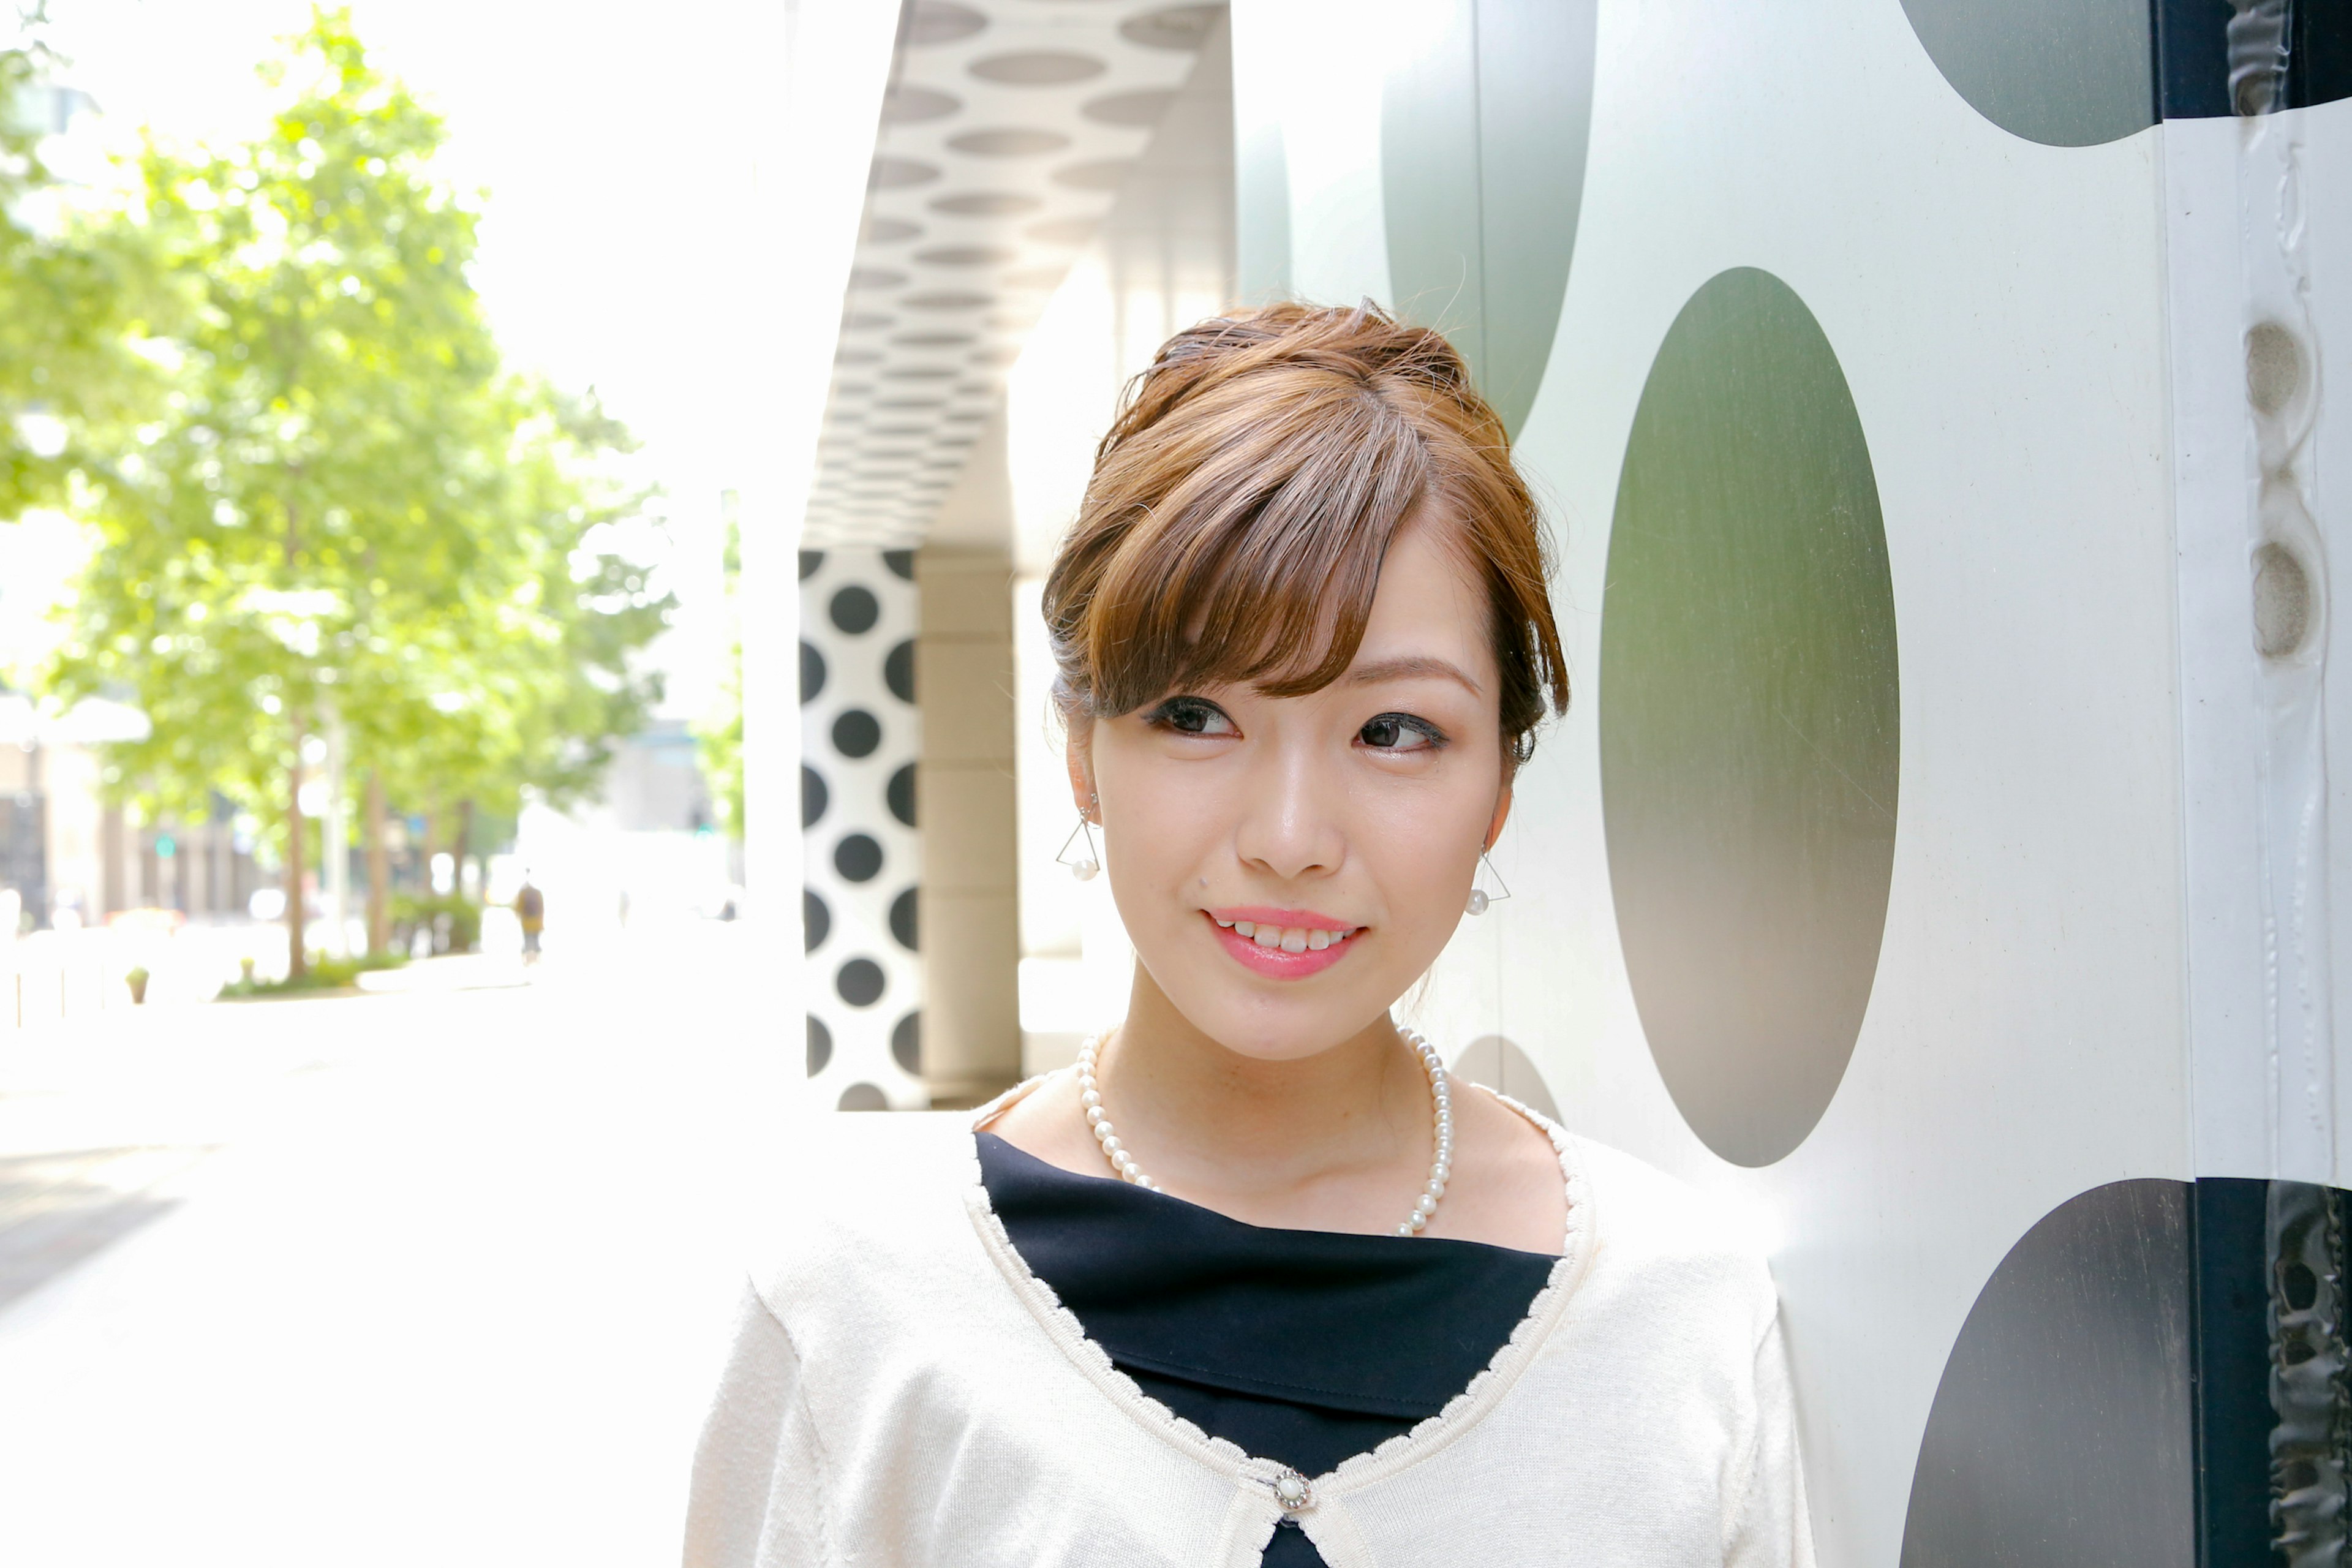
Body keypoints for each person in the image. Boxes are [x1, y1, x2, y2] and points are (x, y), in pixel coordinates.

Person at [684, 304, 1812, 1566]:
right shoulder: (854, 1302)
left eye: (1395, 730)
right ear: (1084, 751)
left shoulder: (1679, 1315)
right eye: (1196, 713)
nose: (1289, 835)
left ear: (1500, 782)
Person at [513, 873, 544, 963]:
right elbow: (541, 908)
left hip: (526, 921)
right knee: (535, 939)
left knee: (527, 939)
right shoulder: (538, 893)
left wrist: (517, 916)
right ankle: (537, 958)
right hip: (536, 921)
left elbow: (518, 907)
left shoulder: (523, 893)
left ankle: (527, 958)